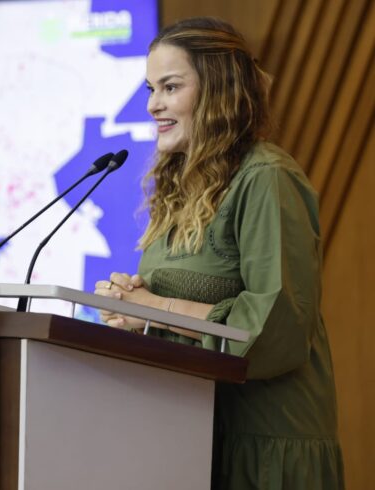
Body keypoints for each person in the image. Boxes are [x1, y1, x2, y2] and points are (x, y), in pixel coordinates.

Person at [94, 18, 344, 489]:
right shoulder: (178, 188)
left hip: (262, 448)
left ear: (217, 89)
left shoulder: (266, 178)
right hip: (191, 436)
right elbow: (183, 311)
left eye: (170, 87)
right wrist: (135, 310)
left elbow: (275, 327)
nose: (152, 104)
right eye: (151, 88)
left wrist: (156, 308)